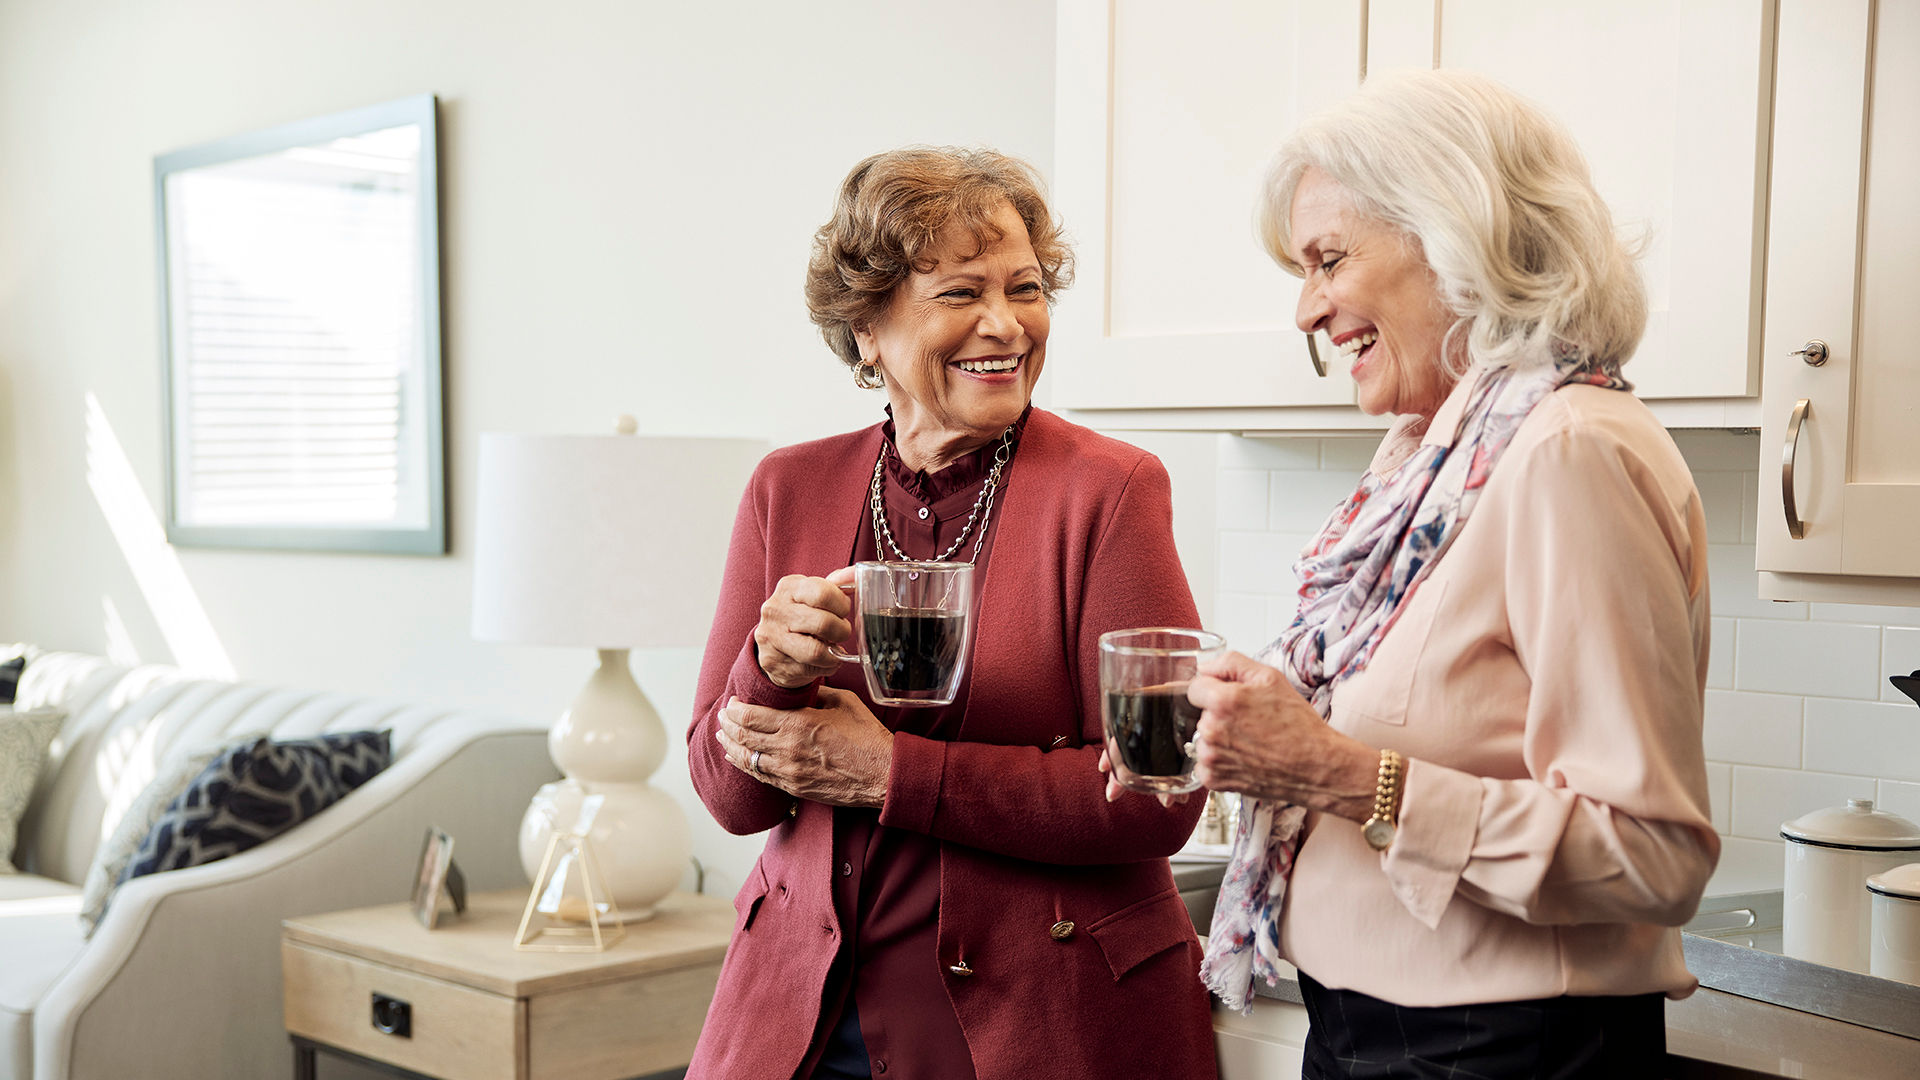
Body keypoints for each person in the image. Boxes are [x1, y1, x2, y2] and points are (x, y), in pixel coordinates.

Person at [1181, 70, 1719, 1077]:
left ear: (1453, 236)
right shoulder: (1433, 460)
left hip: (1499, 1048)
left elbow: (1653, 856)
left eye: (1329, 259)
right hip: (1366, 1028)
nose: (1307, 308)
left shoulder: (1569, 451)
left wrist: (1335, 773)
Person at [684, 147, 1218, 1080]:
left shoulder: (1113, 491)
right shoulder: (787, 488)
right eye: (962, 292)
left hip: (1039, 1026)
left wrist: (891, 772)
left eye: (1026, 287)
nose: (1007, 324)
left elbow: (1157, 794)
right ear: (866, 331)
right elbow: (729, 798)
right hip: (804, 1018)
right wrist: (766, 670)